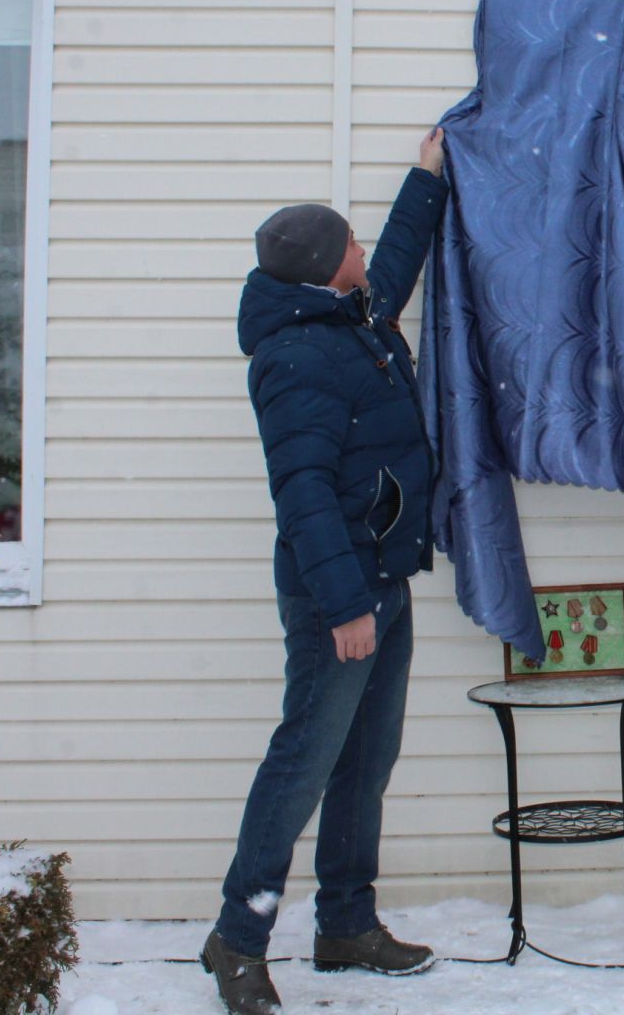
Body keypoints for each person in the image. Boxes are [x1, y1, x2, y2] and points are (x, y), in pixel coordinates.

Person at [199, 129, 449, 1015]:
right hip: (336, 596)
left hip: (382, 581)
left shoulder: (345, 318)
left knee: (363, 763)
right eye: (346, 242)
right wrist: (345, 605)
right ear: (319, 267)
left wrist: (427, 178)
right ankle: (237, 938)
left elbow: (396, 260)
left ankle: (345, 923)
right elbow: (300, 492)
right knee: (304, 763)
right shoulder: (296, 356)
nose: (359, 252)